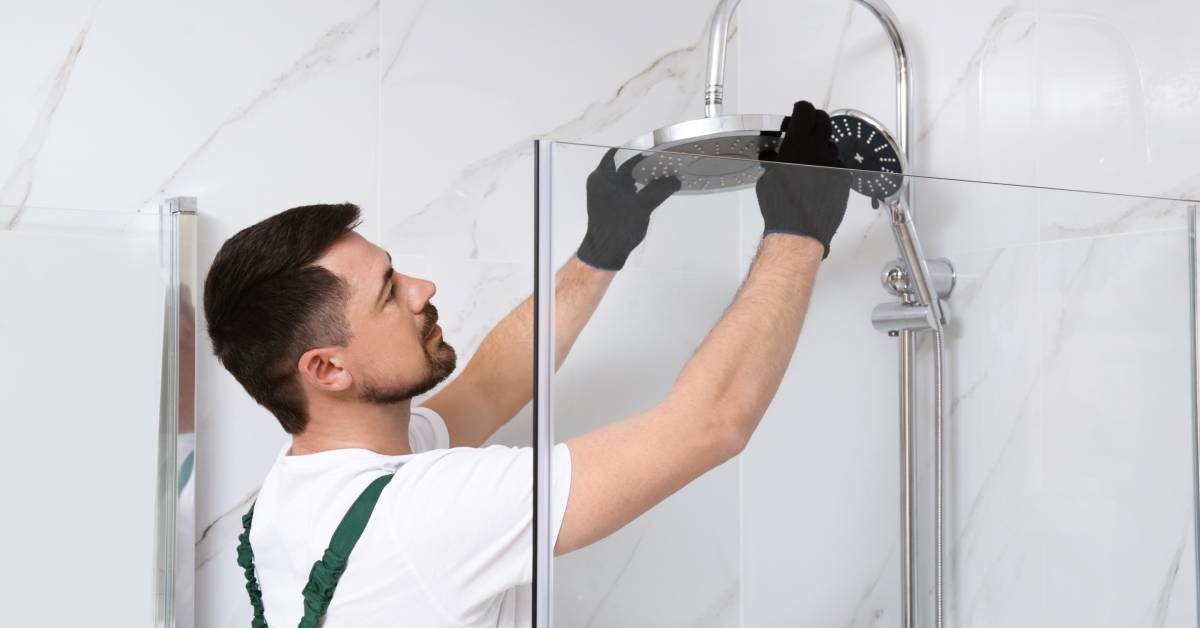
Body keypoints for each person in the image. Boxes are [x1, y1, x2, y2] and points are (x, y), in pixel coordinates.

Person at [202, 100, 848, 627]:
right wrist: (799, 233)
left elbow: (489, 386)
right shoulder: (424, 515)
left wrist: (602, 248)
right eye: (389, 291)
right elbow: (711, 423)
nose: (421, 288)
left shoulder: (311, 488)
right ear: (327, 370)